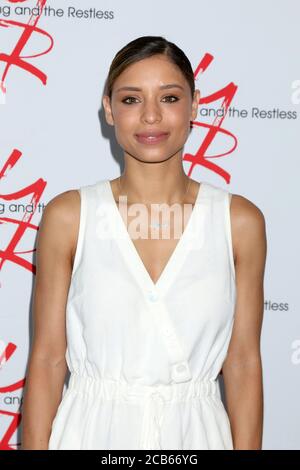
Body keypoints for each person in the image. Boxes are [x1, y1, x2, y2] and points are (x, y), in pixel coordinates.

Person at [21, 35, 267, 450]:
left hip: (197, 437)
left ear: (195, 105)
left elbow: (242, 363)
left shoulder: (239, 221)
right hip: (88, 434)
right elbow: (47, 358)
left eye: (169, 98)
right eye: (132, 100)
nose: (151, 117)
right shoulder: (69, 216)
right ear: (109, 109)